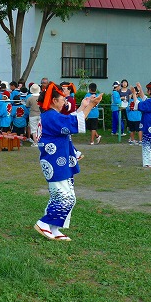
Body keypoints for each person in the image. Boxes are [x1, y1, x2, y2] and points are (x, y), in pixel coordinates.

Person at [34, 82, 102, 241]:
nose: (65, 101)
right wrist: (90, 106)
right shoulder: (51, 116)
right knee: (66, 198)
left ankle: (54, 228)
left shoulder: (50, 116)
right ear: (53, 101)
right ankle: (44, 223)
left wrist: (83, 107)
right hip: (56, 161)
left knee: (61, 196)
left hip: (58, 160)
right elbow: (71, 124)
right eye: (62, 99)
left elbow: (69, 120)